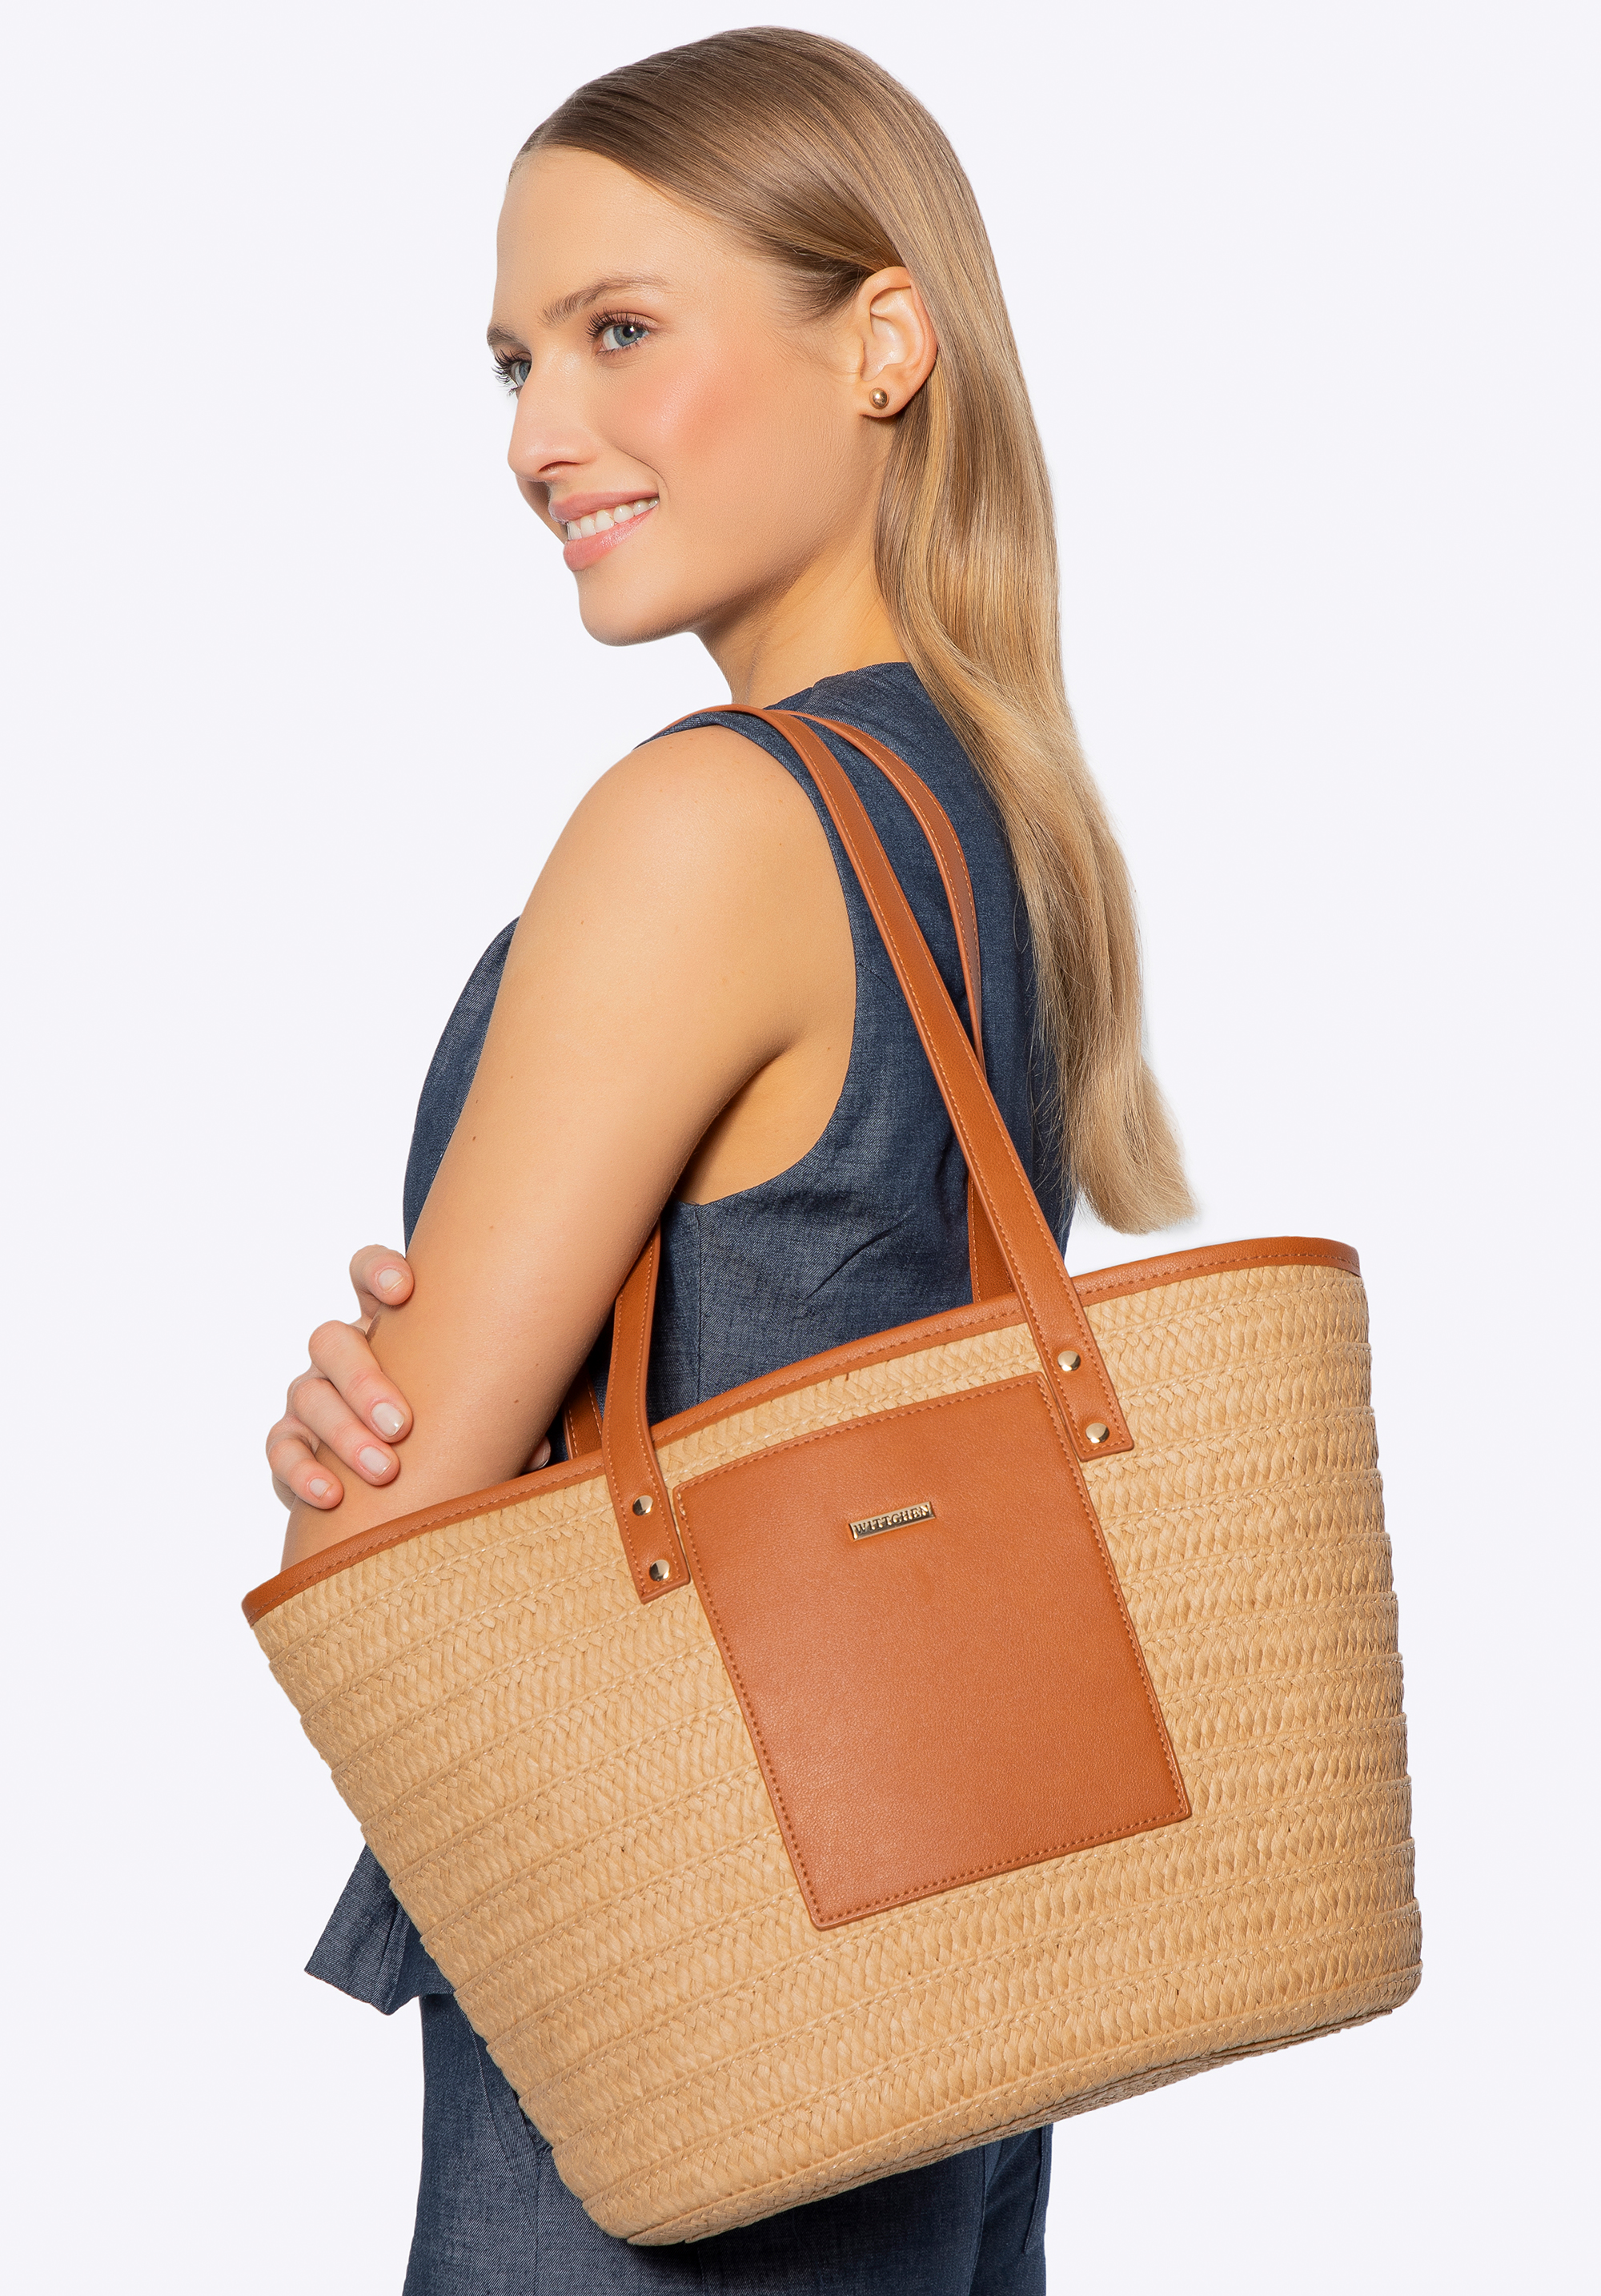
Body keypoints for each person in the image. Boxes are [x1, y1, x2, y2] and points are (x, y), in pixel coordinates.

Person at [262, 29, 1191, 2294]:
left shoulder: (711, 822)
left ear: (885, 342)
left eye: (619, 331)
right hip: (945, 2015)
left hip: (672, 2056)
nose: (534, 436)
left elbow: (374, 1580)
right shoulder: (996, 818)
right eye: (513, 362)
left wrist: (356, 1470)